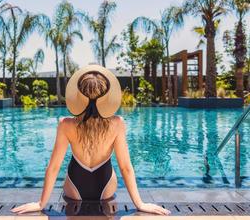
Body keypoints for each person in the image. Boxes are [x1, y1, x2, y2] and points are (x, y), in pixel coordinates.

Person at [12, 64, 170, 215]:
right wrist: (140, 204)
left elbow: (54, 168)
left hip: (74, 187)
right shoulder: (117, 123)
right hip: (106, 187)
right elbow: (126, 168)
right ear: (107, 95)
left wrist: (41, 204)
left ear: (78, 96)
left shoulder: (66, 124)